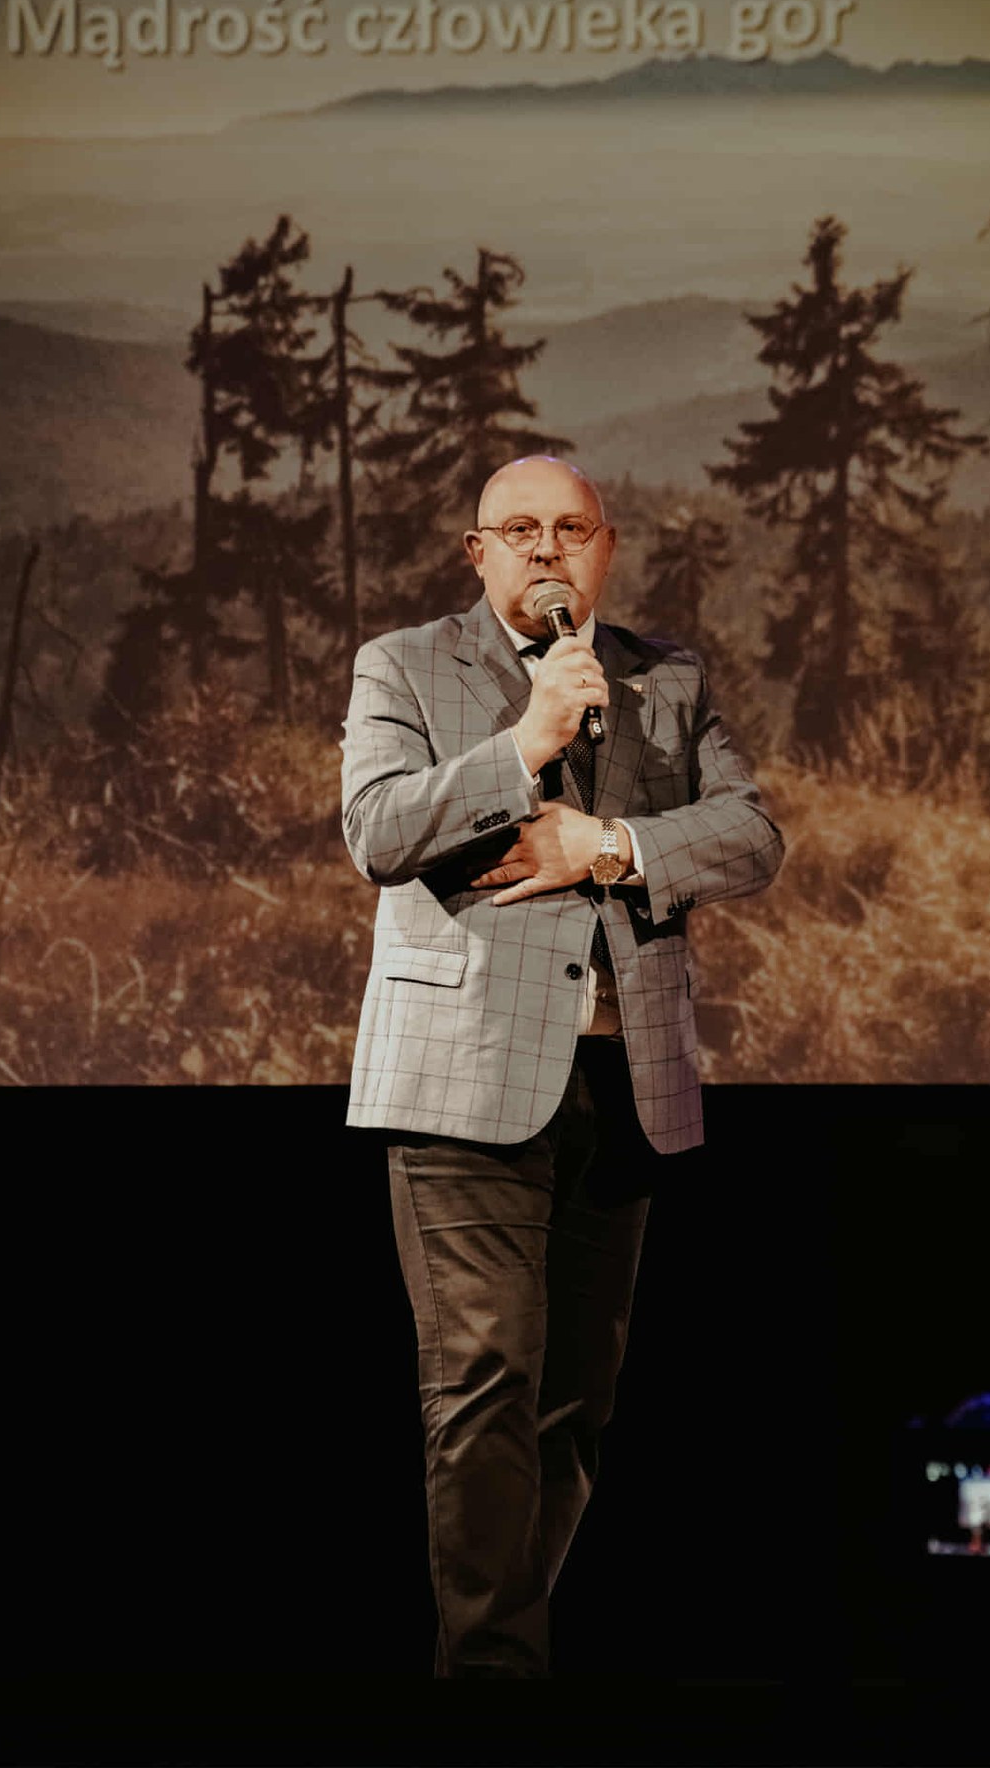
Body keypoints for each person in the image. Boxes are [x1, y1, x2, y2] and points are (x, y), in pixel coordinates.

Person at [339, 454, 784, 1678]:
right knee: (485, 1382)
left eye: (570, 529)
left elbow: (751, 833)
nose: (546, 551)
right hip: (461, 1083)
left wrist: (613, 844)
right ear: (474, 552)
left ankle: (496, 1652)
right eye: (517, 530)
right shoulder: (405, 664)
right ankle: (493, 1678)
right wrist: (524, 742)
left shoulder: (665, 676)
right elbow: (378, 829)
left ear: (606, 546)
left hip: (623, 1080)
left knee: (573, 1407)